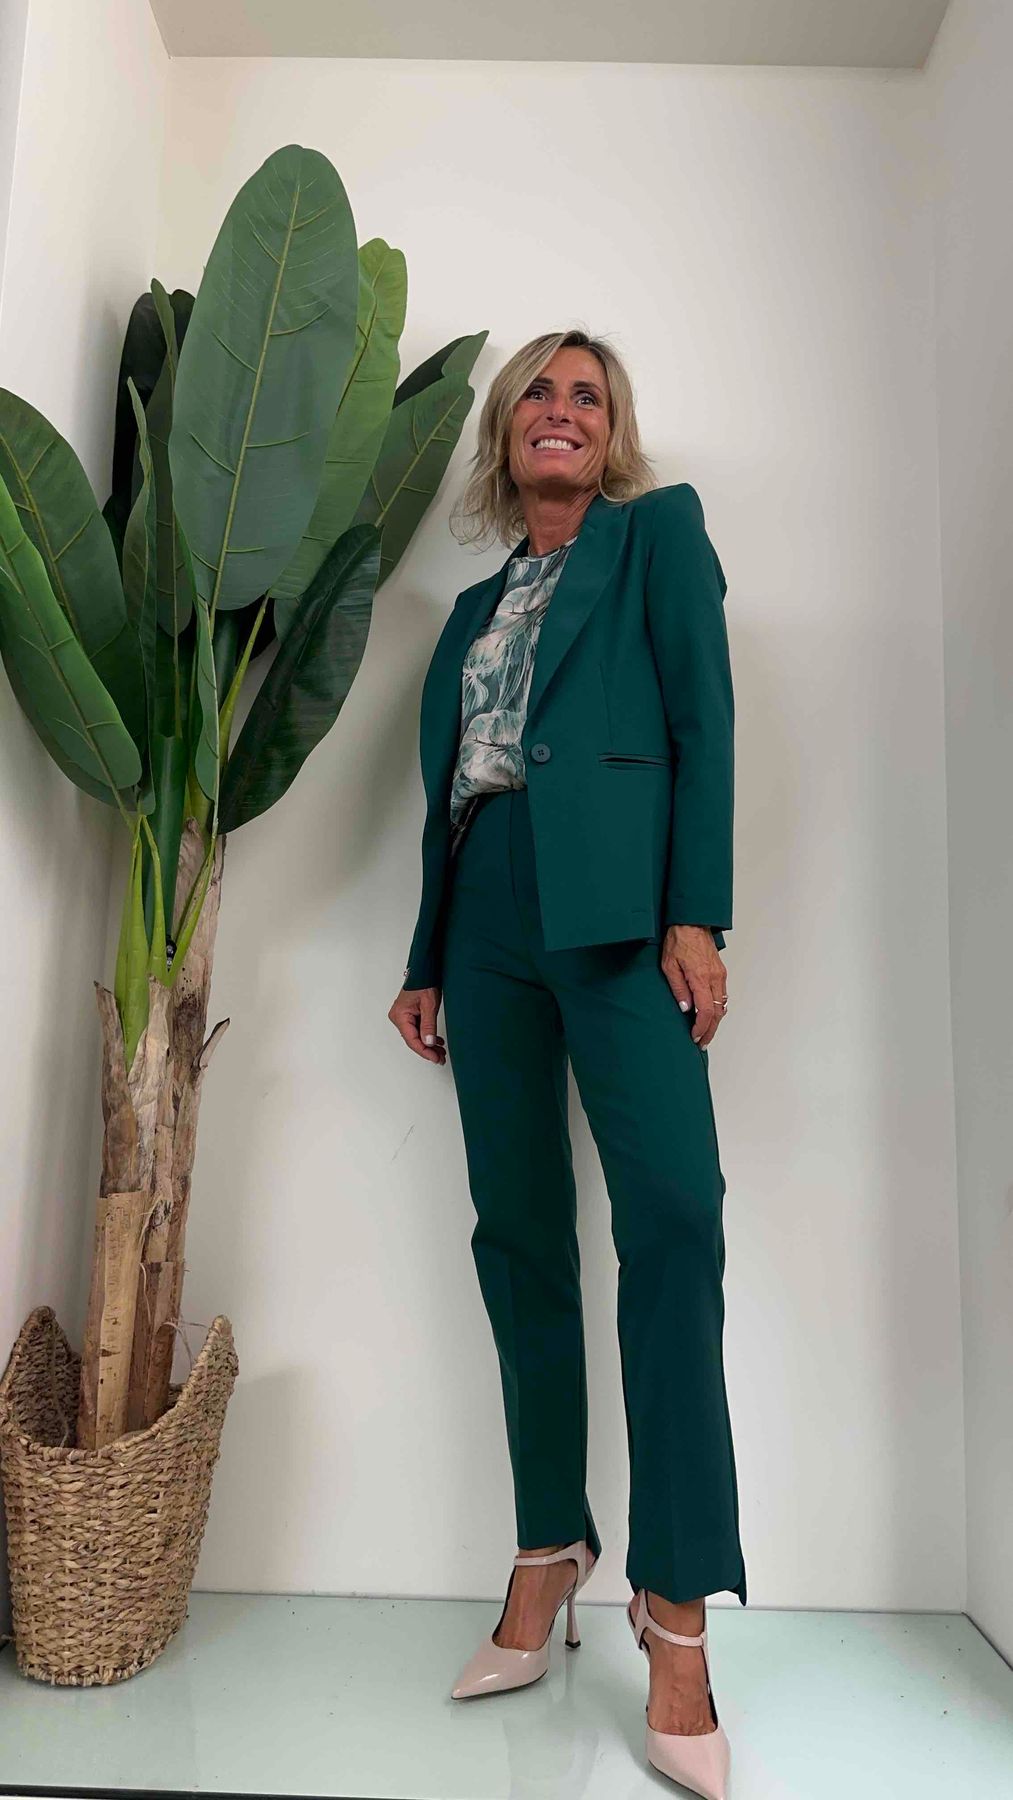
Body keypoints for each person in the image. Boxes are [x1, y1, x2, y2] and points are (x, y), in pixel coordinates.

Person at [388, 327, 745, 1800]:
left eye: (586, 395)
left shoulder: (656, 541)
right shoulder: (473, 608)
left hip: (618, 915)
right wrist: (425, 954)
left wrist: (695, 912)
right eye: (538, 389)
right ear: (504, 430)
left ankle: (675, 1607)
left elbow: (702, 722)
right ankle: (550, 1544)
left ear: (613, 434)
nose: (561, 409)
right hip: (484, 922)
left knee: (673, 1219)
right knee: (519, 1233)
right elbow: (454, 792)